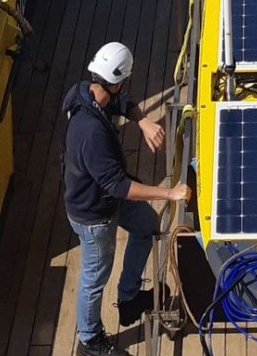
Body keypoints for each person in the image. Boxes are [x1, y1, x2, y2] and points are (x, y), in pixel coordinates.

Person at [62, 42, 192, 356]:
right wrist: (169, 193)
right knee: (95, 276)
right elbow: (120, 186)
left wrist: (143, 120)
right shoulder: (91, 134)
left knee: (146, 224)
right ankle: (90, 340)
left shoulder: (85, 91)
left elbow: (122, 101)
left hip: (105, 196)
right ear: (117, 79)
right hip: (94, 214)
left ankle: (129, 297)